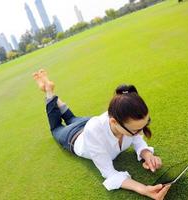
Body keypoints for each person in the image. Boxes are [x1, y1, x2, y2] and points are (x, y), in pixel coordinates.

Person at [32, 69, 171, 200]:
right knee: (56, 128)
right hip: (74, 136)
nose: (140, 133)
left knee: (71, 118)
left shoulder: (123, 118)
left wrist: (147, 154)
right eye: (135, 130)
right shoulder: (95, 131)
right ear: (114, 121)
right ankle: (49, 92)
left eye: (145, 125)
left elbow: (137, 140)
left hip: (89, 122)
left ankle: (50, 90)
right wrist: (144, 189)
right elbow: (110, 173)